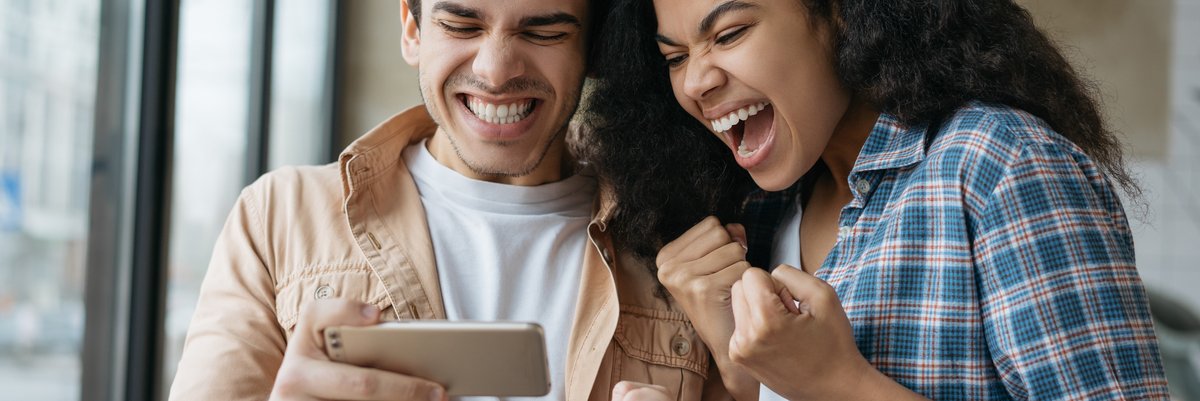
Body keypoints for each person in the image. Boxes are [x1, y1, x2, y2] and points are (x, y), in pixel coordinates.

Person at [584, 0, 1172, 400]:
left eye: (730, 33)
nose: (695, 82)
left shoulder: (997, 165)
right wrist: (742, 376)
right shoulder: (764, 211)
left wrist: (840, 381)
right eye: (674, 57)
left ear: (842, 13)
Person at [168, 1, 723, 400]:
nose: (495, 70)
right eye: (461, 24)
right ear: (411, 28)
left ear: (594, 49)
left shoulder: (677, 243)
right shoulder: (279, 218)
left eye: (545, 32)